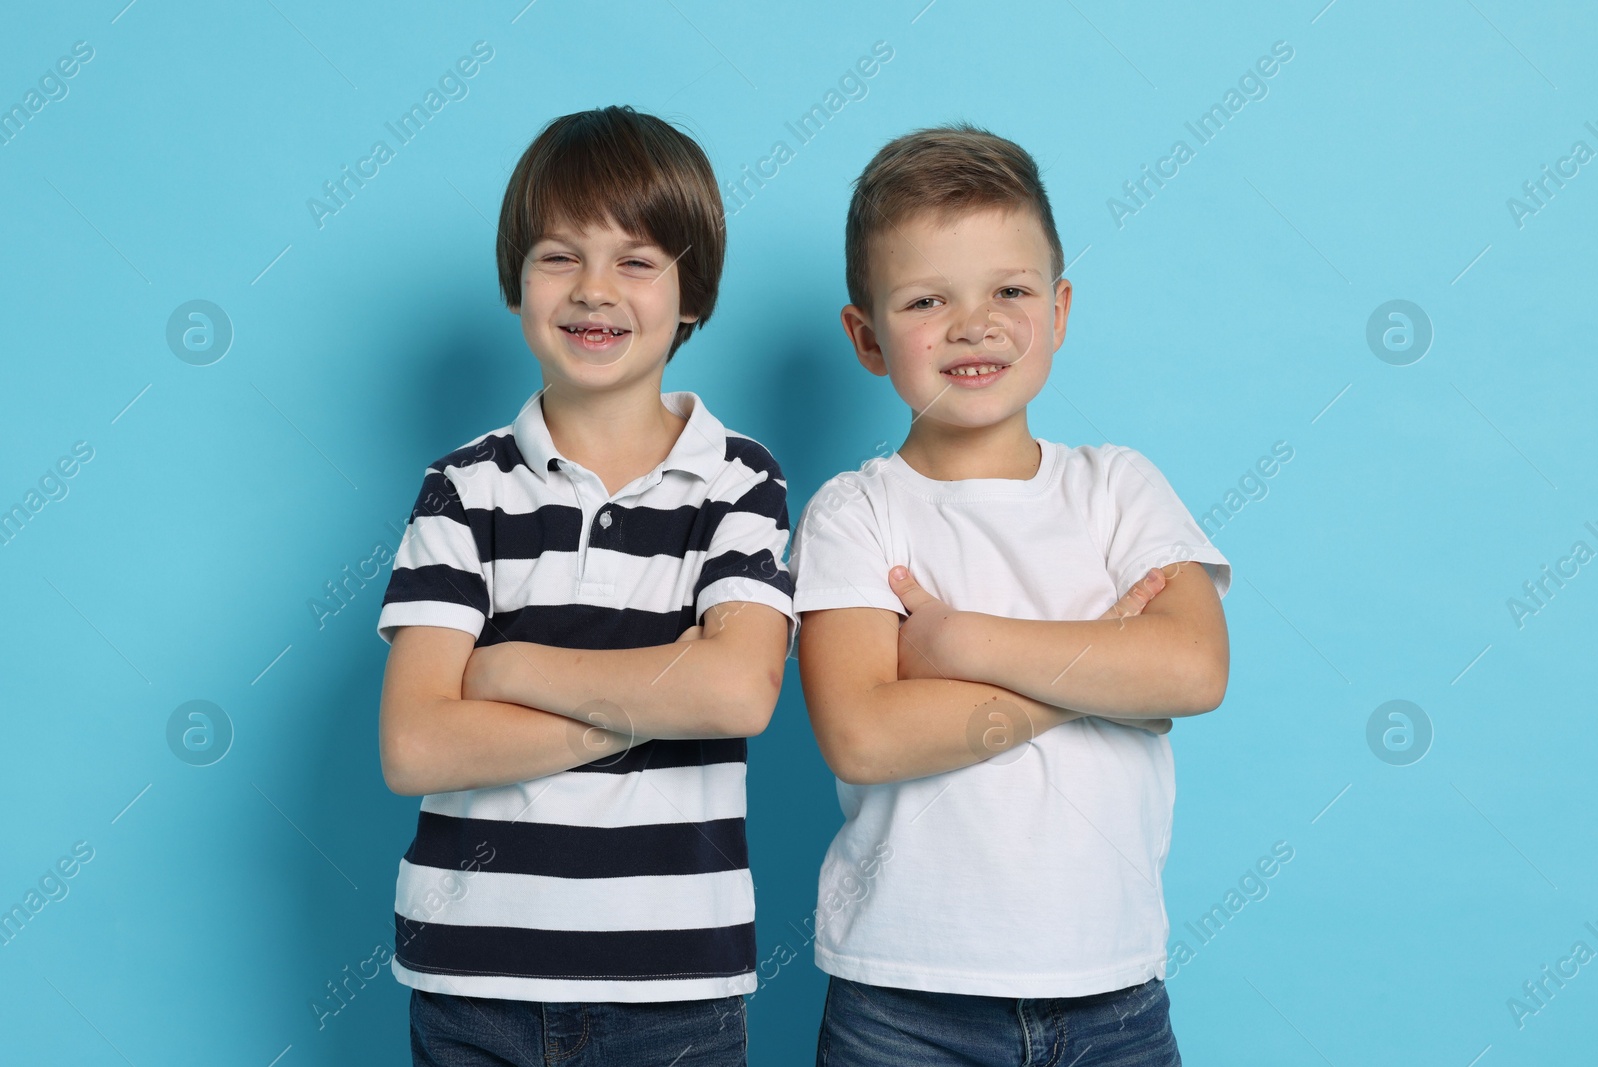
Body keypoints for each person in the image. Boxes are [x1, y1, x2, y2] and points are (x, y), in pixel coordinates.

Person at [790, 123, 1232, 1066]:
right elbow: (866, 736)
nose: (974, 324)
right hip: (903, 1003)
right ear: (867, 337)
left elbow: (1191, 669)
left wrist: (957, 643)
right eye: (925, 299)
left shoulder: (1118, 487)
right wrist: (1093, 668)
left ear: (1060, 310)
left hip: (1111, 994)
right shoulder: (855, 513)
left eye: (1011, 291)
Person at [373, 105, 796, 1067]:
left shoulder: (741, 479)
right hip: (472, 980)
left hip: (675, 986)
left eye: (637, 261)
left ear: (692, 294)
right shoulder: (463, 486)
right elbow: (416, 743)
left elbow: (735, 691)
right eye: (560, 256)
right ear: (517, 281)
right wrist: (655, 697)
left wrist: (506, 664)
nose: (595, 289)